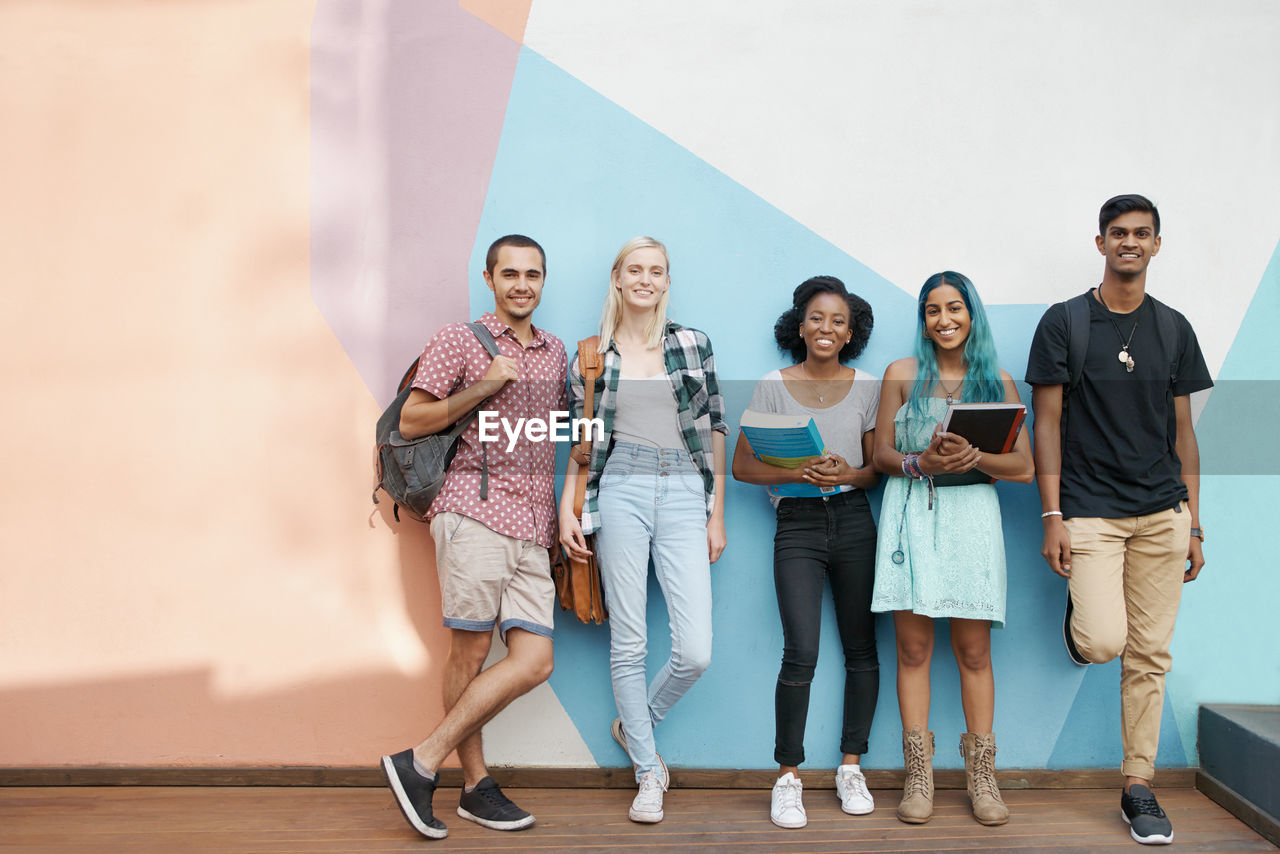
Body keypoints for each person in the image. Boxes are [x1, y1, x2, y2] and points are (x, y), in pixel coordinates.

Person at [1026, 194, 1211, 846]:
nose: (1129, 242)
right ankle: (1080, 626)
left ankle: (1138, 785)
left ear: (1156, 244)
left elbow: (1184, 432)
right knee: (1106, 641)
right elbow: (1044, 424)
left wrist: (1193, 522)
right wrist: (1052, 514)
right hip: (1091, 512)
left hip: (1163, 511)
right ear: (1100, 242)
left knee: (1150, 656)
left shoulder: (1174, 328)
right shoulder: (1066, 323)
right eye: (1118, 233)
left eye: (1141, 233)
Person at [380, 235, 567, 840]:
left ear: (543, 281)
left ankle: (421, 760)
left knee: (534, 661)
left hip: (534, 527)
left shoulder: (556, 350)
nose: (522, 284)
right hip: (474, 515)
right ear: (489, 278)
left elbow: (556, 431)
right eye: (509, 273)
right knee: (469, 653)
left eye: (532, 274)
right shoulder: (460, 340)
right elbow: (412, 420)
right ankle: (476, 785)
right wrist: (485, 385)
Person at [558, 236, 727, 824]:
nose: (646, 279)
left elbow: (714, 427)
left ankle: (637, 726)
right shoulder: (591, 356)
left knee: (695, 652)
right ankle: (648, 771)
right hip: (619, 488)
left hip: (685, 490)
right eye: (636, 269)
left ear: (666, 281)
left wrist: (716, 512)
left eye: (657, 270)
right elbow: (580, 446)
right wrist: (567, 509)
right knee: (628, 641)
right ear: (617, 278)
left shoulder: (692, 343)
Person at [870, 271, 1033, 827]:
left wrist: (975, 459)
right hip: (911, 514)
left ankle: (981, 778)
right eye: (934, 310)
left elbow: (1025, 468)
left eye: (956, 308)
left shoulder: (999, 382)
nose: (945, 320)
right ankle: (919, 777)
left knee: (974, 653)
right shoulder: (900, 374)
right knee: (913, 652)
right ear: (923, 319)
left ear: (972, 314)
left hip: (971, 520)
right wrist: (922, 463)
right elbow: (881, 457)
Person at [731, 276, 882, 829]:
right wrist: (798, 469)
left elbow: (876, 472)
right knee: (801, 651)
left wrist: (849, 473)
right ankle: (788, 777)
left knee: (861, 649)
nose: (827, 328)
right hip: (795, 522)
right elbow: (743, 467)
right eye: (817, 318)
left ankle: (850, 766)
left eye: (838, 321)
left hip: (853, 521)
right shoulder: (773, 384)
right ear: (801, 327)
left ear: (850, 333)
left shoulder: (869, 387)